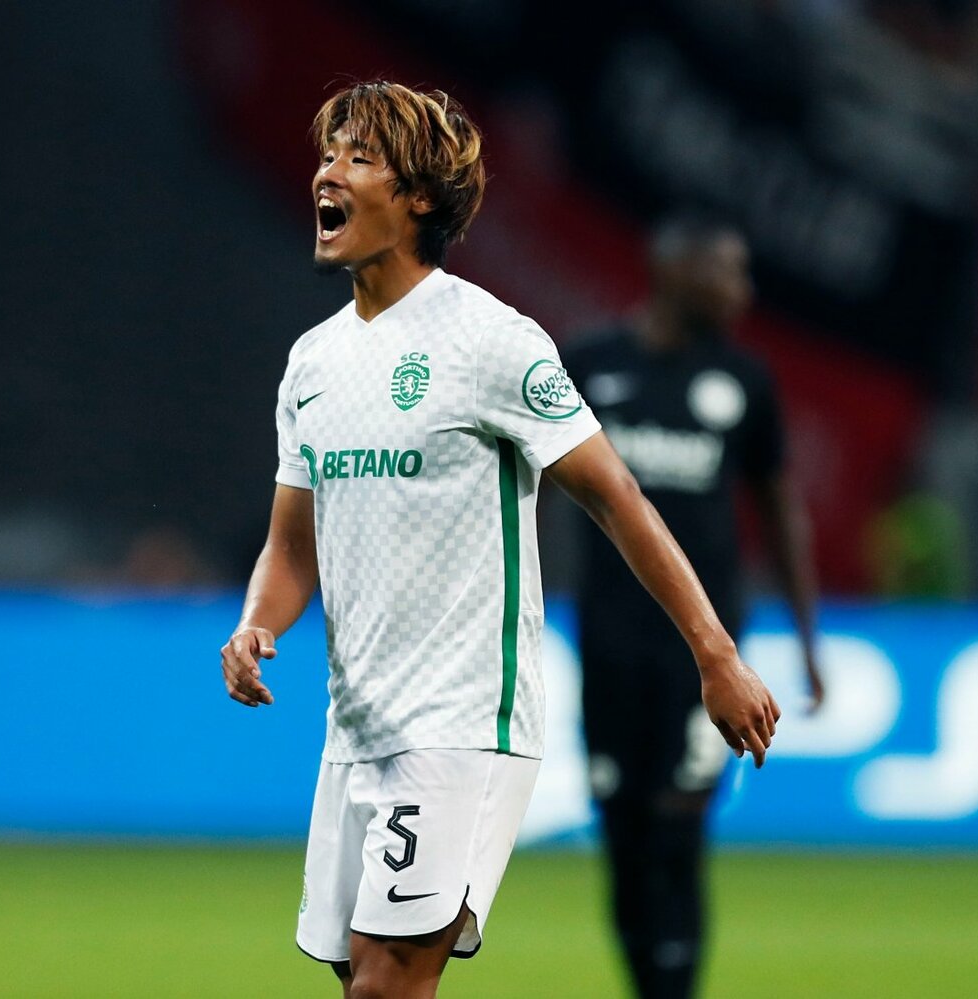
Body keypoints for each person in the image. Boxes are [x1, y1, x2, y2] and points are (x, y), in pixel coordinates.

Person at [218, 83, 779, 999]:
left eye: (360, 158)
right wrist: (256, 624)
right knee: (359, 977)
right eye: (328, 154)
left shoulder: (491, 340)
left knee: (386, 982)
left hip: (464, 721)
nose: (328, 173)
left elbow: (616, 495)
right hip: (355, 726)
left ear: (419, 199)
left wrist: (715, 654)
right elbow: (292, 545)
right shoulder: (312, 363)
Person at [562, 216, 824, 999]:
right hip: (608, 642)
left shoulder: (743, 380)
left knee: (678, 827)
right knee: (623, 830)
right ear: (676, 270)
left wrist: (807, 640)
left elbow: (778, 508)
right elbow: (532, 489)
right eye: (729, 271)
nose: (743, 290)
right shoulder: (590, 367)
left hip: (705, 656)